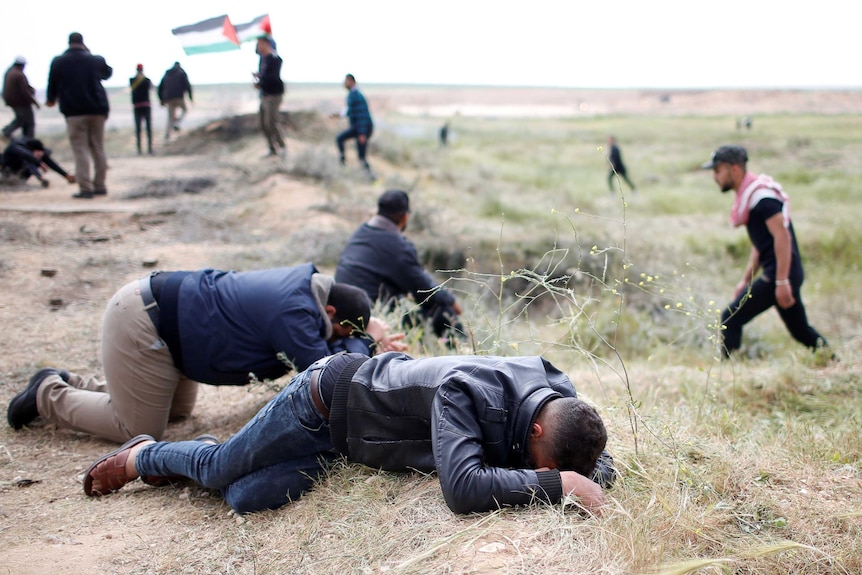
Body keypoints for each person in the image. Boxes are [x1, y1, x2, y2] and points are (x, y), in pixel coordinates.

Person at [82, 350, 617, 516]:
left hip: (351, 443)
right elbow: (462, 489)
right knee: (223, 468)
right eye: (538, 459)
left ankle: (197, 456)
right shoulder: (463, 393)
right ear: (539, 425)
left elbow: (594, 460)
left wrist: (576, 472)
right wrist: (561, 485)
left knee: (243, 497)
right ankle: (145, 457)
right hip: (319, 404)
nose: (536, 469)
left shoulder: (559, 393)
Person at [7, 262, 406, 443]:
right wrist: (368, 339)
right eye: (339, 329)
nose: (334, 336)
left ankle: (75, 383)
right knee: (139, 431)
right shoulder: (296, 313)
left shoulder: (305, 292)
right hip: (145, 325)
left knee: (177, 414)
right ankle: (48, 393)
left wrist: (357, 337)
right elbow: (330, 371)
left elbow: (326, 348)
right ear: (330, 311)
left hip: (171, 339)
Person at [701, 145, 829, 356]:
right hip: (783, 272)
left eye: (718, 170)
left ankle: (728, 374)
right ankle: (832, 360)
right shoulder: (750, 196)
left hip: (781, 273)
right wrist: (745, 280)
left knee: (730, 319)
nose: (715, 177)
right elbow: (762, 245)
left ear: (734, 169)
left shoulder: (762, 199)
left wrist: (781, 281)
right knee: (800, 330)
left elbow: (782, 237)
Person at [335, 189, 464, 343]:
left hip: (342, 314)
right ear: (405, 217)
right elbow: (424, 291)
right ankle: (464, 352)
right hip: (372, 319)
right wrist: (449, 301)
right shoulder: (398, 247)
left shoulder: (361, 232)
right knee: (443, 312)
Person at [45, 32, 112, 199]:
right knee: (98, 147)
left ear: (69, 43)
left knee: (80, 149)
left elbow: (52, 82)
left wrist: (51, 99)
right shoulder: (95, 59)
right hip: (97, 109)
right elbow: (107, 73)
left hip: (74, 111)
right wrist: (89, 54)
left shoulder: (59, 61)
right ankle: (100, 185)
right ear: (83, 43)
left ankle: (86, 188)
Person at [252, 36, 286, 158]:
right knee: (263, 124)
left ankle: (282, 148)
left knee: (271, 122)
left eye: (260, 43)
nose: (258, 46)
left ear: (266, 44)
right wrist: (258, 81)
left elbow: (272, 77)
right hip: (264, 94)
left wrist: (261, 77)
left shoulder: (275, 59)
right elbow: (264, 77)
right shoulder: (263, 59)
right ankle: (272, 149)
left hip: (274, 95)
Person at [334, 73, 373, 175]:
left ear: (351, 81)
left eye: (346, 81)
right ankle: (343, 165)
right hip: (358, 128)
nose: (344, 84)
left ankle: (370, 177)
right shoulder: (353, 94)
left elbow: (362, 115)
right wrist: (339, 115)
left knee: (361, 156)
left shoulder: (356, 95)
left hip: (361, 128)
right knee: (340, 139)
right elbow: (350, 110)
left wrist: (362, 133)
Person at [1, 136, 76, 187]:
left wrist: (65, 175)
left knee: (42, 158)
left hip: (22, 173)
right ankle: (41, 178)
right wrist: (40, 163)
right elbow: (27, 155)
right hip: (8, 168)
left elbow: (48, 158)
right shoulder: (16, 146)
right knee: (29, 159)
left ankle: (66, 176)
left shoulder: (34, 146)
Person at [2, 56, 39, 139]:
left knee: (21, 120)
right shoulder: (19, 75)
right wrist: (34, 102)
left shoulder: (10, 73)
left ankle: (7, 133)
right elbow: (24, 91)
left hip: (13, 102)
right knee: (29, 123)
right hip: (21, 103)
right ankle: (28, 140)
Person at [157, 62, 192, 140]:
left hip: (169, 98)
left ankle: (167, 135)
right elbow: (187, 85)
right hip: (179, 97)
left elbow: (160, 87)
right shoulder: (182, 73)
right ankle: (177, 122)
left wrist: (161, 99)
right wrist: (190, 97)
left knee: (170, 117)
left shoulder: (167, 74)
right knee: (185, 110)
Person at [129, 64, 153, 155]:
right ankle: (149, 149)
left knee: (138, 128)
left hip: (137, 106)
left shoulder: (132, 80)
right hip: (146, 105)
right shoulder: (146, 80)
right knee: (148, 128)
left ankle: (139, 150)